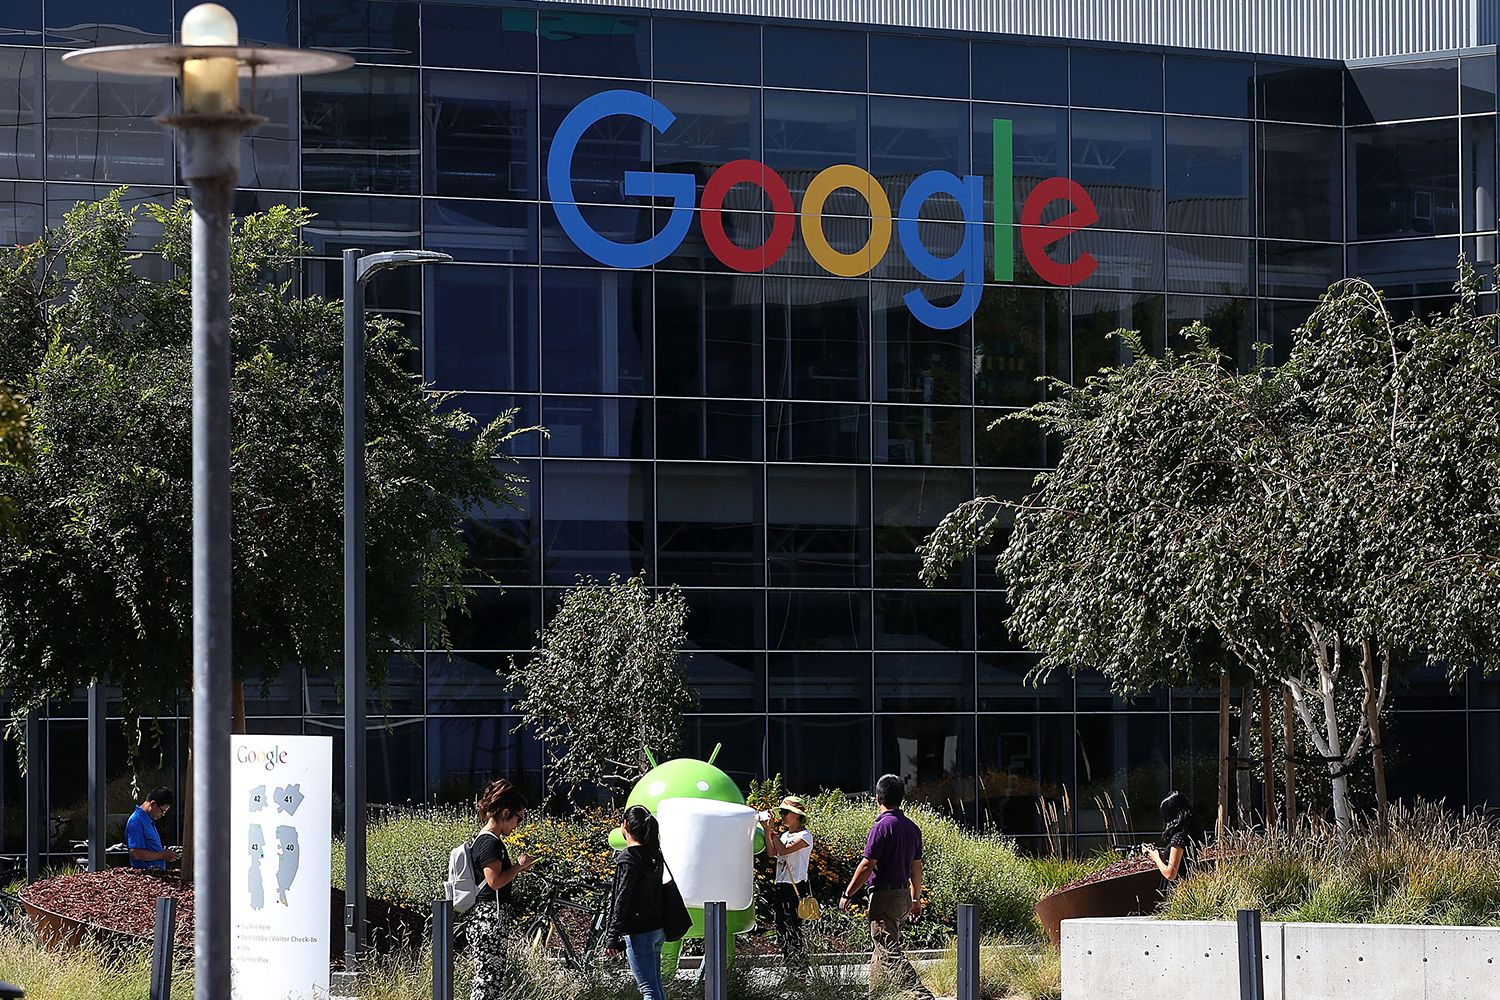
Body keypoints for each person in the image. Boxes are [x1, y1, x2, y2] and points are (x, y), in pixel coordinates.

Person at [839, 775, 934, 999]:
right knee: (881, 950)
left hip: (884, 896)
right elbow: (916, 867)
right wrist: (916, 899)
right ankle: (877, 994)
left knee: (887, 947)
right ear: (901, 798)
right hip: (903, 895)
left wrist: (847, 894)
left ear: (878, 798)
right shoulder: (912, 828)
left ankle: (921, 994)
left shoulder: (881, 827)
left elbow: (866, 865)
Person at [468, 779, 533, 1000]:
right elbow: (494, 881)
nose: (518, 825)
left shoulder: (485, 839)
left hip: (486, 918)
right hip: (489, 919)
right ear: (506, 813)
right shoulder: (490, 843)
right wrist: (518, 867)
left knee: (490, 980)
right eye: (518, 818)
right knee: (487, 982)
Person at [604, 805, 668, 1000]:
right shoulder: (654, 855)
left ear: (625, 825)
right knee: (655, 986)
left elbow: (621, 899)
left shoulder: (628, 858)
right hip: (657, 927)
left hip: (640, 931)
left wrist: (612, 936)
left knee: (648, 989)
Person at [760, 795, 814, 973]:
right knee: (781, 927)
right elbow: (772, 853)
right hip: (781, 885)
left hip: (795, 887)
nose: (782, 816)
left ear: (797, 815)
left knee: (794, 928)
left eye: (785, 812)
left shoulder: (805, 835)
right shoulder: (784, 835)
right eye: (781, 812)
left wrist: (772, 832)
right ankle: (791, 967)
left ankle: (800, 969)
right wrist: (768, 831)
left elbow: (783, 850)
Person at [1145, 790, 1202, 887]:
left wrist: (1156, 857)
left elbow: (1170, 874)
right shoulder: (1189, 835)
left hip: (1177, 889)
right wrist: (1160, 855)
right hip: (1187, 886)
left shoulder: (1179, 838)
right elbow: (1180, 864)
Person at [126, 786, 179, 870]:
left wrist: (165, 851)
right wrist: (162, 855)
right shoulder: (136, 821)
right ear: (153, 804)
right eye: (162, 811)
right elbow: (135, 853)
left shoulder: (149, 821)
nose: (162, 815)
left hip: (155, 873)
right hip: (145, 874)